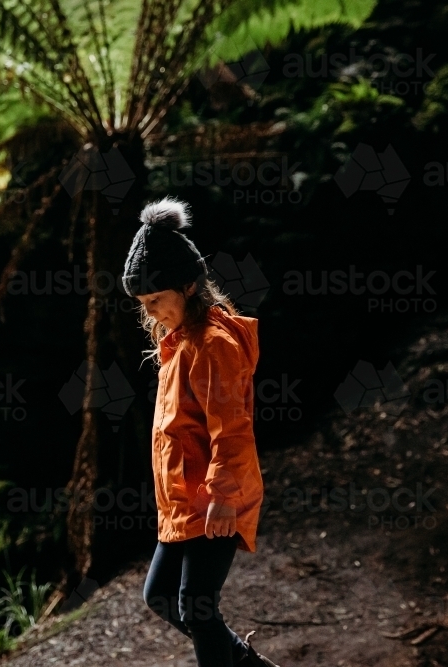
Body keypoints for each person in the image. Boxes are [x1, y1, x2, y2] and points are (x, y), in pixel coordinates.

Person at [122, 196, 280, 667]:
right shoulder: (178, 342)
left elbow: (230, 427)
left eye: (156, 300)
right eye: (143, 304)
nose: (151, 313)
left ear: (188, 286)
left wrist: (223, 495)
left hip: (214, 495)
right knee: (161, 596)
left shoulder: (212, 344)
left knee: (196, 605)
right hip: (184, 499)